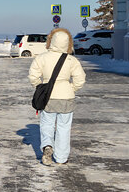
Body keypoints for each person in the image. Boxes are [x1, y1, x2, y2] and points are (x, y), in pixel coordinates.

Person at [27, 27, 86, 166]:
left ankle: (47, 146)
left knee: (47, 124)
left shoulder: (42, 58)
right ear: (68, 43)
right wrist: (71, 88)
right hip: (66, 97)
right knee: (64, 128)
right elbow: (80, 79)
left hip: (48, 97)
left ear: (51, 41)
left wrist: (40, 86)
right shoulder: (71, 60)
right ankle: (61, 158)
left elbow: (33, 76)